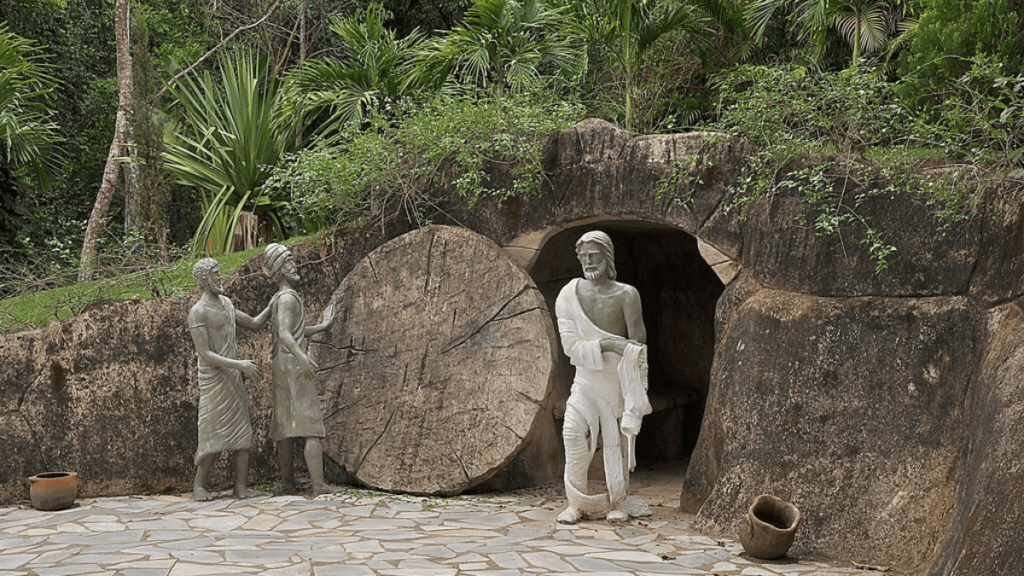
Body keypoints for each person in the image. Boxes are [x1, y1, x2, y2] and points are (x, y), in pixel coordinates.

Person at [554, 230, 652, 524]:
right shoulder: (568, 295)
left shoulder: (626, 294)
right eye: (583, 257)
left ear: (607, 257)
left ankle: (617, 501)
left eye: (593, 255)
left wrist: (637, 382)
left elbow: (637, 345)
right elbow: (571, 349)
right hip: (585, 380)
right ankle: (576, 501)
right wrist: (609, 344)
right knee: (572, 432)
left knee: (615, 441)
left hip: (615, 379)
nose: (588, 261)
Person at [188, 258, 268, 501]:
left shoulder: (227, 304)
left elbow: (254, 323)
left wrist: (274, 303)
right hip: (215, 379)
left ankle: (240, 486)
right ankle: (199, 485)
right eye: (215, 274)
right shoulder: (198, 312)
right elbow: (205, 354)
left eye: (219, 272)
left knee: (242, 435)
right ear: (203, 280)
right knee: (210, 433)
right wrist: (239, 364)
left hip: (232, 378)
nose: (220, 277)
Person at [263, 243, 336, 495]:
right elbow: (285, 334)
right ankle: (318, 485)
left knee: (284, 424)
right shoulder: (287, 298)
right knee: (310, 424)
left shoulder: (277, 298)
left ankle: (288, 483)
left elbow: (293, 331)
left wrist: (321, 326)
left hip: (280, 365)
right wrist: (303, 357)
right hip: (293, 364)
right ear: (280, 270)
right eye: (289, 262)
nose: (294, 266)